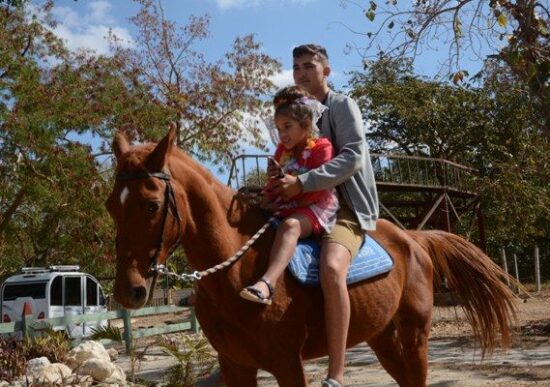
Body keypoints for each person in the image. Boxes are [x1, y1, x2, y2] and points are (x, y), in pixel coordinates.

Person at [270, 44, 379, 387]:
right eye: (296, 67)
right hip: (300, 203)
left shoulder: (341, 105)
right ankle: (236, 355)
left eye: (309, 66)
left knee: (332, 268)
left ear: (326, 71)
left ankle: (336, 374)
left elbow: (352, 157)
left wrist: (302, 182)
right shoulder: (293, 113)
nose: (301, 73)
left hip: (343, 206)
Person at [240, 86, 339, 305]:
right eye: (278, 128)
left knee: (290, 226)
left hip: (316, 206)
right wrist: (268, 194)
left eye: (287, 127)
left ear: (305, 125)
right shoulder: (282, 151)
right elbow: (272, 182)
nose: (282, 134)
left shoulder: (322, 147)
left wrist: (286, 208)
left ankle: (268, 283)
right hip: (286, 203)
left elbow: (318, 189)